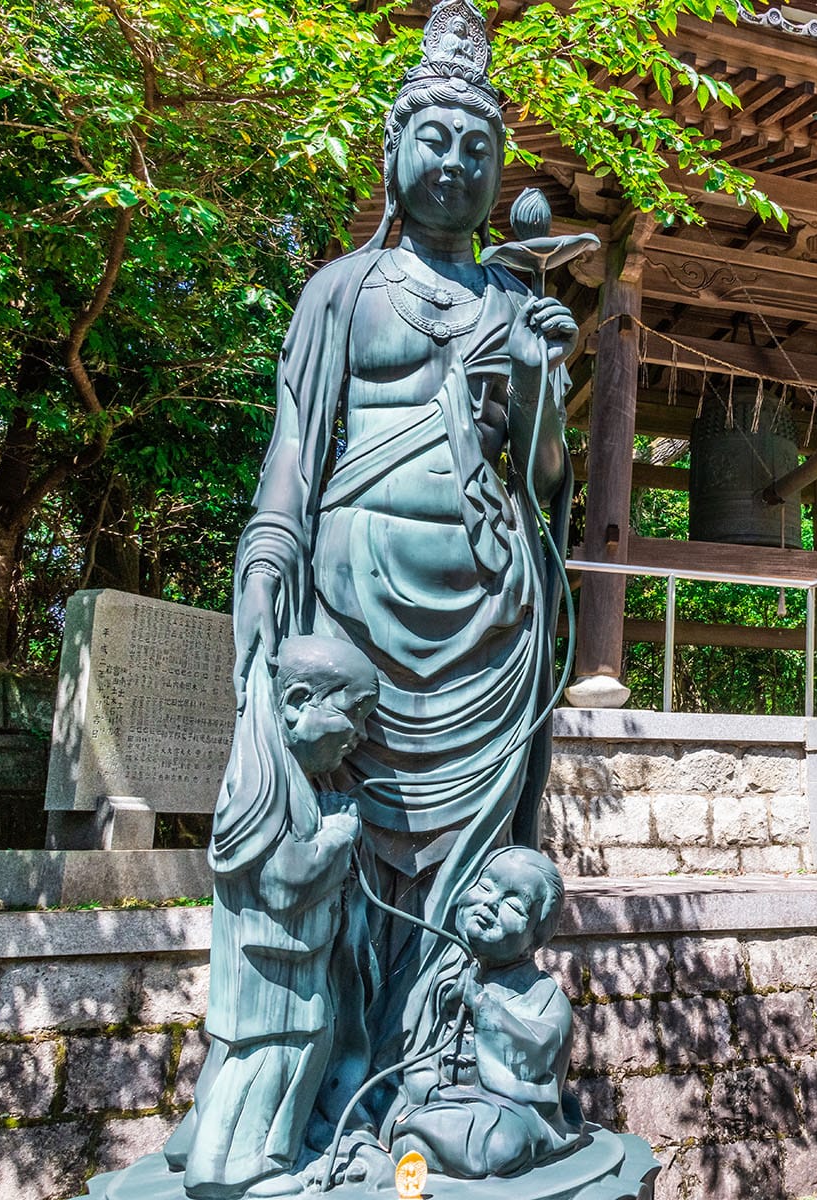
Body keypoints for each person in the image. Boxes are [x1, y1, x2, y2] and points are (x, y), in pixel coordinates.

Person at [222, 0, 580, 1152]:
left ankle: (440, 1067)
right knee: (353, 845)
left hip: (488, 612)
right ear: (392, 150)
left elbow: (547, 477)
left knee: (465, 865)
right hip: (356, 603)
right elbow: (296, 443)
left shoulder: (517, 300)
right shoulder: (343, 288)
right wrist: (270, 553)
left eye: (479, 149)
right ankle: (339, 1084)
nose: (456, 164)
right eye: (435, 140)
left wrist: (536, 380)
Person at [165, 636, 380, 1198]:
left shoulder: (288, 777)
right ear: (298, 701)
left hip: (287, 967)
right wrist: (336, 837)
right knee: (271, 1063)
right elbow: (285, 883)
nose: (358, 737)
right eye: (354, 716)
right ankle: (241, 1169)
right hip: (272, 974)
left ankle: (218, 1148)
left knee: (266, 1062)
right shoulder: (260, 783)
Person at [390, 847, 584, 1178]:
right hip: (431, 1095)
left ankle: (421, 1137)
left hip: (500, 1111)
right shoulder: (434, 973)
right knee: (383, 1100)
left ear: (533, 939)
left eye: (513, 904)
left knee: (503, 1144)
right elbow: (403, 1046)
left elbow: (538, 1062)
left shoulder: (544, 996)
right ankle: (420, 1133)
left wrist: (481, 1005)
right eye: (485, 886)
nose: (491, 903)